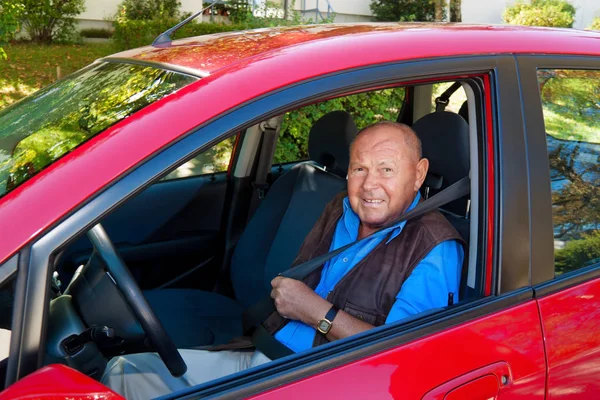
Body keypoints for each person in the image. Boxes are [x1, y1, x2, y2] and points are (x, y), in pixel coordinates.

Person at [101, 121, 465, 398]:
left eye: (386, 169)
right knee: (122, 370)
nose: (369, 185)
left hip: (314, 382)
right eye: (359, 169)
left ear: (418, 175)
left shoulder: (434, 248)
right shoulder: (340, 209)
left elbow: (404, 359)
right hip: (266, 354)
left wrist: (317, 314)